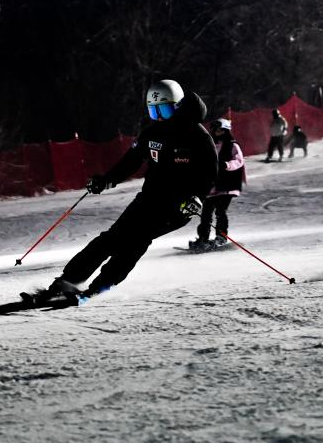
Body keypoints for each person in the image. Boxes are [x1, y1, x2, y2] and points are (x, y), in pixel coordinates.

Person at [33, 79, 217, 304]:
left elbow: (209, 173)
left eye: (165, 110)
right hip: (149, 199)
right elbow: (130, 161)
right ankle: (67, 281)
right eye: (154, 110)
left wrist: (197, 197)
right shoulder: (152, 132)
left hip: (177, 206)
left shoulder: (197, 136)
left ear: (178, 107)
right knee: (111, 238)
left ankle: (100, 285)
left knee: (136, 239)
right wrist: (107, 180)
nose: (159, 116)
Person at [190, 118, 245, 251]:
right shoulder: (209, 145)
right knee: (206, 213)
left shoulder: (232, 145)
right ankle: (203, 238)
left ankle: (221, 237)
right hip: (211, 186)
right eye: (215, 130)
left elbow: (239, 161)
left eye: (221, 130)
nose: (218, 132)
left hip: (227, 185)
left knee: (221, 211)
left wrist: (226, 164)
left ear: (226, 131)